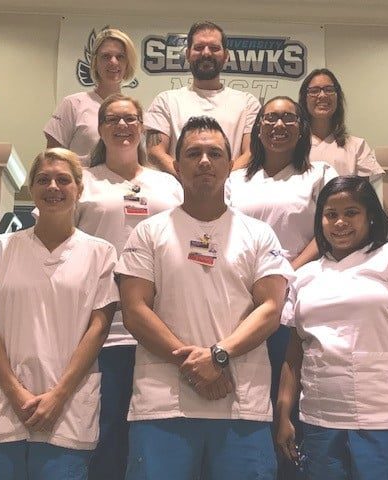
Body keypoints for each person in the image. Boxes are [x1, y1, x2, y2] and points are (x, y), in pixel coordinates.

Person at [116, 116, 294, 479]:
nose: (204, 161)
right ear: (176, 165)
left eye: (214, 153)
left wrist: (218, 355)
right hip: (162, 405)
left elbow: (271, 308)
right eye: (193, 153)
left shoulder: (259, 234)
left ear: (230, 165)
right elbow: (134, 310)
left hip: (241, 406)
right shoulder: (148, 232)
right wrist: (196, 366)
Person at [0, 148, 118, 479]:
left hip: (67, 409)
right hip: (3, 406)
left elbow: (99, 328)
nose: (53, 186)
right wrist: (16, 392)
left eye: (63, 180)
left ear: (79, 189)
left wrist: (59, 395)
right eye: (43, 179)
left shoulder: (101, 254)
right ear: (31, 188)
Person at [276, 176, 388, 480]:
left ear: (370, 216)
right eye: (331, 214)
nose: (340, 222)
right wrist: (283, 412)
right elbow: (294, 352)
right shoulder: (305, 276)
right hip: (321, 421)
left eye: (351, 213)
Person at [226, 96, 337, 479]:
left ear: (301, 128)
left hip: (297, 289)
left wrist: (287, 269)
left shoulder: (320, 174)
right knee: (247, 391)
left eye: (289, 118)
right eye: (270, 118)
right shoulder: (236, 179)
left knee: (289, 390)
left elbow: (328, 228)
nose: (279, 125)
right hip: (243, 294)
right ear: (257, 128)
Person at [77, 93, 183, 480]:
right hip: (100, 327)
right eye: (113, 119)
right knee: (105, 431)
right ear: (100, 128)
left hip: (163, 326)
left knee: (156, 434)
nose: (122, 126)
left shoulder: (167, 184)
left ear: (142, 127)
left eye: (130, 119)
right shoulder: (82, 181)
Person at [145, 21, 260, 176]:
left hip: (232, 190)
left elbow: (251, 153)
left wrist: (218, 182)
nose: (206, 53)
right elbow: (155, 152)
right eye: (199, 47)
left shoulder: (248, 103)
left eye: (214, 48)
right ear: (187, 54)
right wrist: (190, 181)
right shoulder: (165, 101)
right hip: (179, 190)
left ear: (226, 55)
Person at [44, 28, 138, 165]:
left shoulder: (133, 112)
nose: (113, 61)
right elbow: (52, 159)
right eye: (106, 56)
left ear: (128, 63)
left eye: (120, 56)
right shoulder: (72, 104)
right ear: (95, 62)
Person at [299, 68, 384, 197]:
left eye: (329, 89)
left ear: (337, 97)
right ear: (304, 99)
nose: (322, 95)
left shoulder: (357, 146)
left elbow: (363, 199)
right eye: (314, 91)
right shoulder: (294, 145)